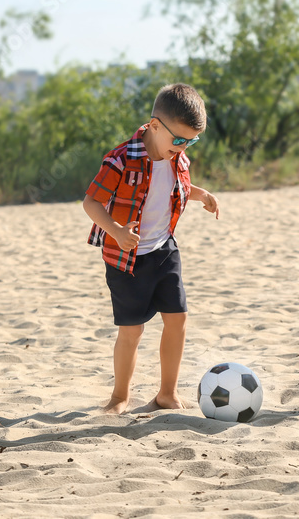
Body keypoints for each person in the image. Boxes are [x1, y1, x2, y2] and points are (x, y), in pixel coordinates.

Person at [82, 83, 220, 414]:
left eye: (191, 141)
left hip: (163, 249)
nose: (183, 147)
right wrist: (114, 230)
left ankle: (166, 394)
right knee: (132, 330)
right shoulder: (121, 159)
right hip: (125, 257)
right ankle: (119, 397)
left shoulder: (176, 156)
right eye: (178, 140)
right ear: (155, 125)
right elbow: (91, 202)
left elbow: (174, 185)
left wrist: (201, 195)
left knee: (178, 318)